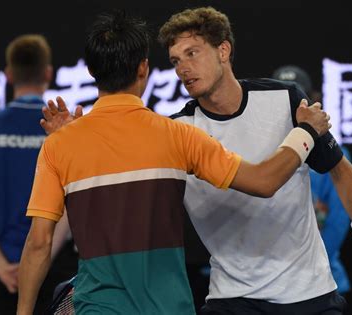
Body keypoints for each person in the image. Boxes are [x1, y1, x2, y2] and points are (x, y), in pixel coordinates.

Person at [16, 11, 331, 315]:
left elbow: (39, 243)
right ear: (144, 69)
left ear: (92, 73)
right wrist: (305, 133)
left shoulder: (61, 144)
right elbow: (264, 181)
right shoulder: (179, 136)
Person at [157, 6, 352, 314]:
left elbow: (341, 171)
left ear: (223, 50)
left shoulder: (285, 98)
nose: (183, 68)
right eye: (176, 61)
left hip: (311, 294)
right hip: (231, 299)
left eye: (192, 53)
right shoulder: (177, 131)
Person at [0, 34, 72, 315]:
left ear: (8, 74)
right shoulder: (62, 129)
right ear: (48, 72)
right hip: (53, 268)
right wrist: (38, 260)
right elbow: (72, 201)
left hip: (2, 274)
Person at [272, 64, 352, 297]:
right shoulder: (261, 150)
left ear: (313, 98)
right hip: (265, 285)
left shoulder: (334, 153)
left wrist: (307, 271)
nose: (292, 106)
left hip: (321, 281)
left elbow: (337, 222)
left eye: (299, 97)